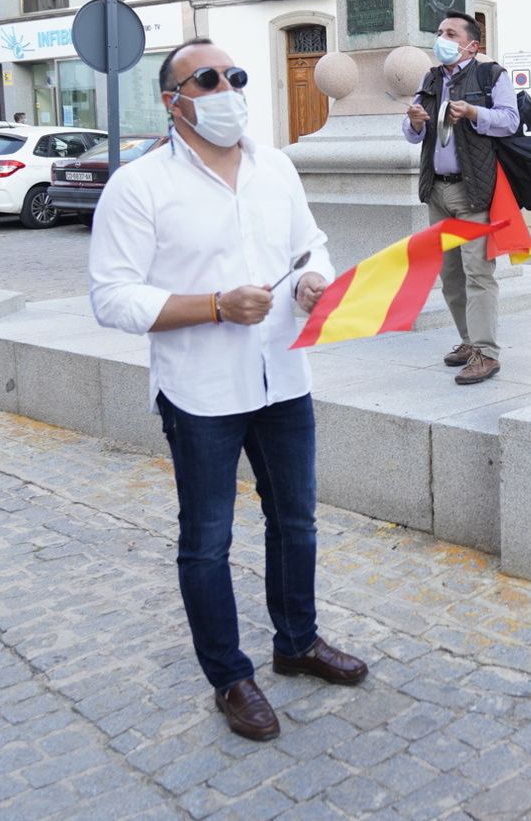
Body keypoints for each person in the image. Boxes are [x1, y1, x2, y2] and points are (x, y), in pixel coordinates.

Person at [90, 37, 368, 743]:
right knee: (208, 541)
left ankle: (296, 641)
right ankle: (229, 676)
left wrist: (311, 280)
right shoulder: (140, 184)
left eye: (234, 76)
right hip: (202, 391)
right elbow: (112, 298)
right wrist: (213, 304)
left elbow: (313, 243)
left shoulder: (275, 166)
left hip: (283, 374)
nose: (226, 89)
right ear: (173, 100)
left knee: (297, 520)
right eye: (207, 79)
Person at [402, 11, 520, 385]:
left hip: (472, 190)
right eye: (439, 32)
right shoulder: (432, 77)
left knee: (478, 273)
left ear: (472, 44)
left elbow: (509, 120)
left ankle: (486, 353)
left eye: (450, 33)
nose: (442, 38)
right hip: (437, 190)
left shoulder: (490, 75)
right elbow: (411, 133)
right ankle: (469, 342)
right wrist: (415, 120)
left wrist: (473, 112)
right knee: (450, 273)